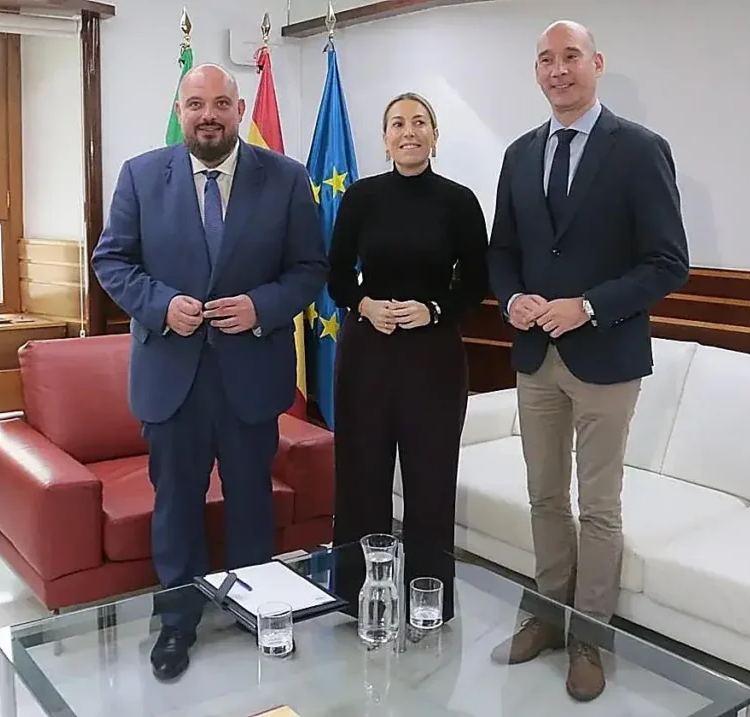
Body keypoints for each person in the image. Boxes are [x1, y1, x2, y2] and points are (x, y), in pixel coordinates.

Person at [91, 64, 328, 681]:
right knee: (176, 505)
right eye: (196, 104)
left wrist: (262, 308)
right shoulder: (142, 176)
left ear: (240, 107)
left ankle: (258, 610)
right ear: (181, 108)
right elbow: (111, 261)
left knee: (252, 502)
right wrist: (160, 306)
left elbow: (309, 268)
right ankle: (177, 623)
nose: (208, 115)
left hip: (251, 375)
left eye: (221, 103)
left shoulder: (285, 178)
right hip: (172, 377)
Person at [486, 20, 689, 701]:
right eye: (545, 59)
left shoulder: (638, 150)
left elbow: (668, 263)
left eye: (570, 56)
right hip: (534, 353)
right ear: (536, 72)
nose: (557, 70)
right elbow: (502, 250)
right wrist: (510, 296)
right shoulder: (518, 154)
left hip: (607, 354)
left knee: (598, 506)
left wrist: (589, 305)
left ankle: (590, 637)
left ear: (596, 63)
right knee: (544, 495)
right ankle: (548, 614)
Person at [327, 92, 490, 624]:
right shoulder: (361, 197)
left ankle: (429, 602)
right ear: (385, 138)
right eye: (397, 123)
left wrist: (435, 309)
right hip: (367, 353)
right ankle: (357, 598)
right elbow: (334, 275)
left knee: (430, 482)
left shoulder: (460, 200)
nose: (409, 131)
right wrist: (365, 304)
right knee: (361, 478)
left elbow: (478, 282)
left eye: (420, 122)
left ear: (435, 136)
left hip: (433, 358)